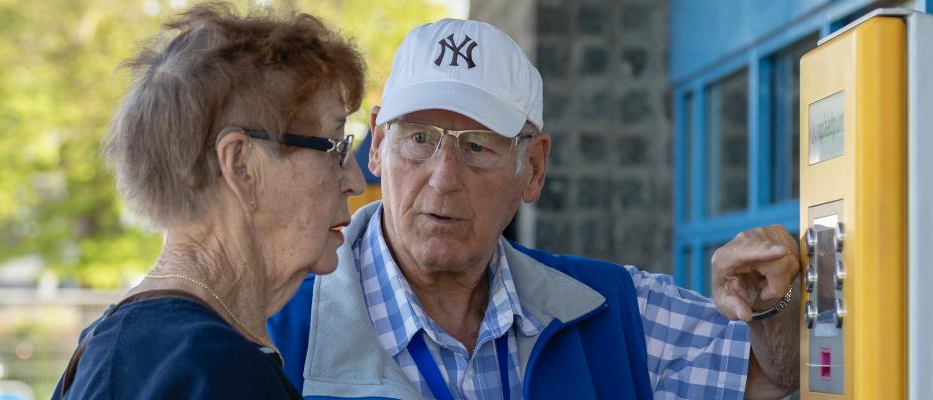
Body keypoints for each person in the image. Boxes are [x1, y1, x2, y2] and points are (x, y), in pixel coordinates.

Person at [268, 19, 800, 399]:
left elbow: (775, 372)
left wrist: (773, 303)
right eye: (420, 138)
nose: (444, 177)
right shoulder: (273, 330)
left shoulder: (613, 311)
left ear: (535, 167)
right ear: (379, 144)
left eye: (478, 146)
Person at [53, 3, 366, 399]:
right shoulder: (215, 372)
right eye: (334, 146)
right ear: (241, 165)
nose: (355, 181)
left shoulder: (108, 345)